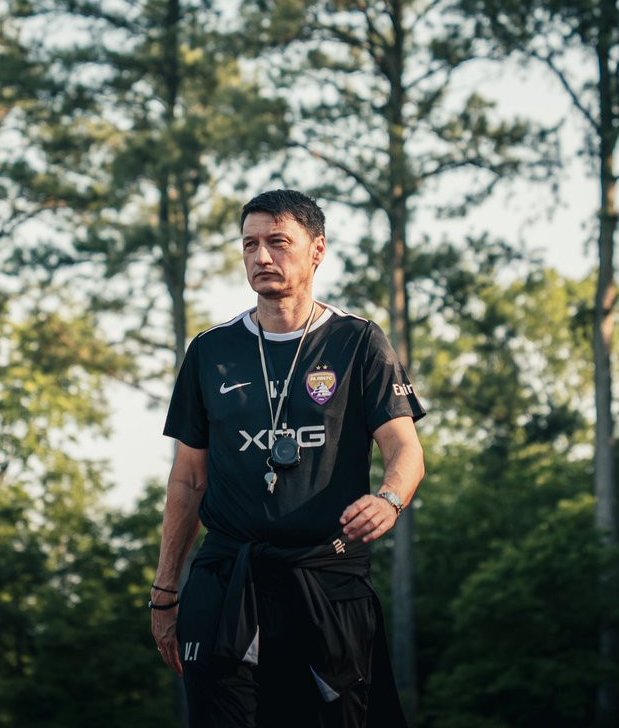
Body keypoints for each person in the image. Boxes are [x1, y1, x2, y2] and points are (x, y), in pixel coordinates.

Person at [149, 189, 426, 728]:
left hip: (326, 576)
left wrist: (389, 499)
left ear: (317, 250)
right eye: (249, 244)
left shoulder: (357, 341)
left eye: (278, 242)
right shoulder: (211, 351)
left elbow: (405, 448)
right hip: (227, 579)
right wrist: (165, 590)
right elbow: (188, 480)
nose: (262, 256)